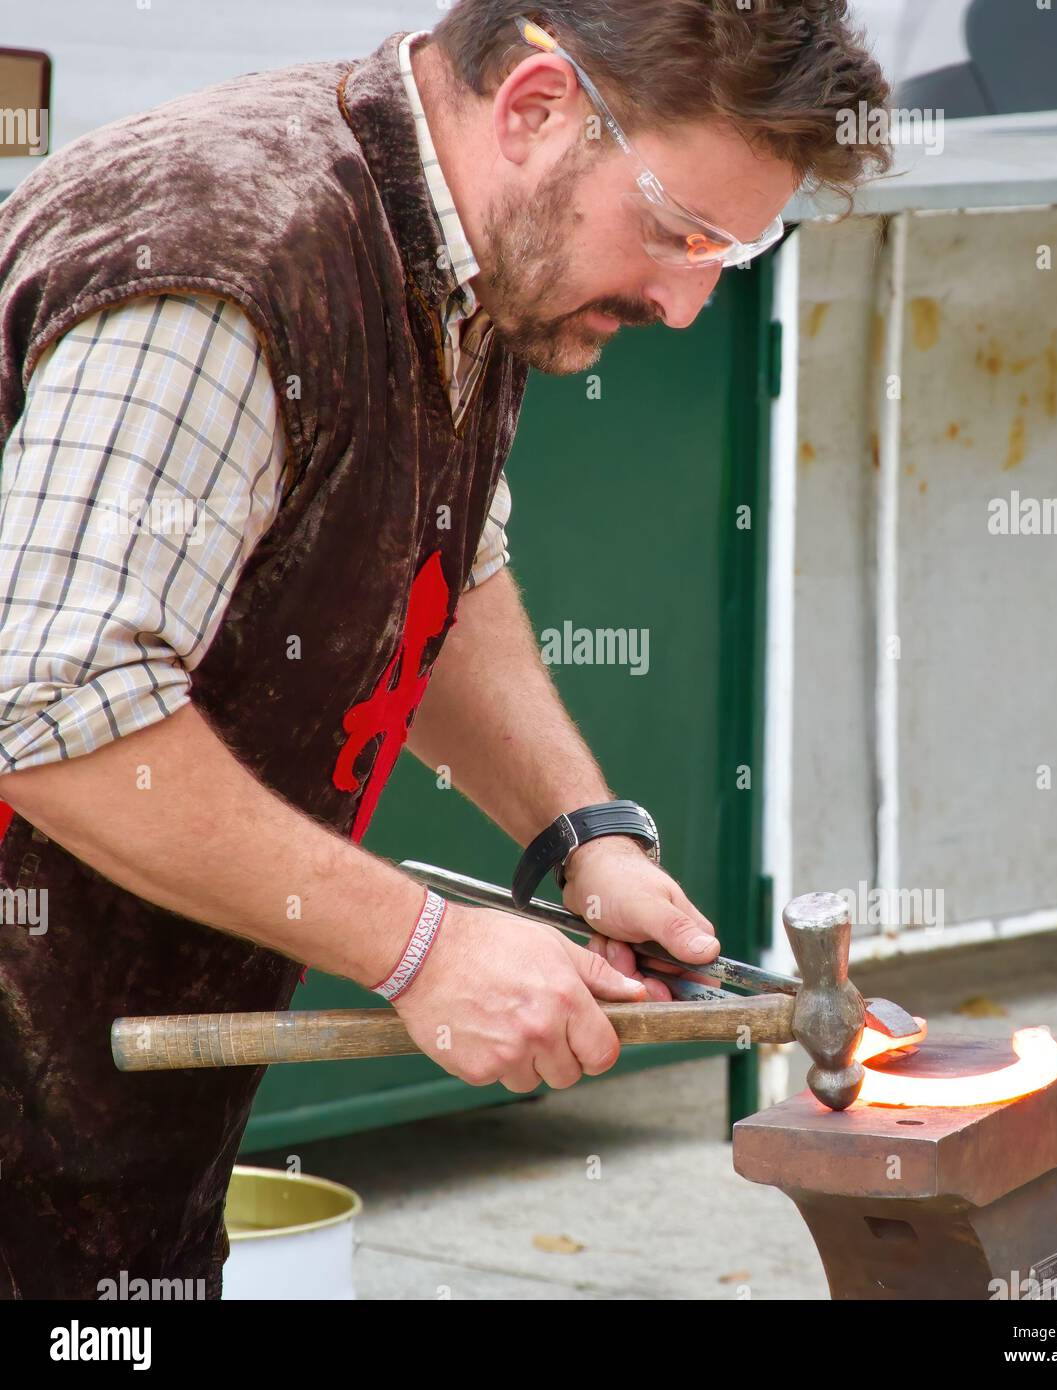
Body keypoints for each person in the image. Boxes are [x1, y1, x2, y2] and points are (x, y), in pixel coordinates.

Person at [0, 1, 889, 1297]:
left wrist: (585, 835)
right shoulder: (225, 257)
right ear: (534, 107)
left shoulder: (461, 255)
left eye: (734, 255)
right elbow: (47, 700)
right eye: (675, 231)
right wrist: (423, 948)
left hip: (101, 1154)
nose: (685, 303)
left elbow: (438, 571)